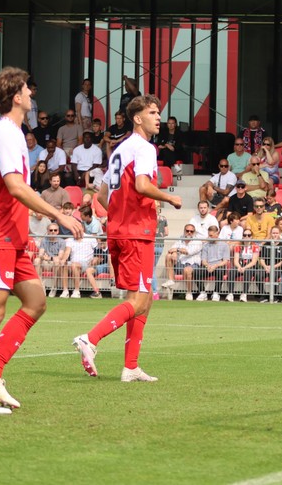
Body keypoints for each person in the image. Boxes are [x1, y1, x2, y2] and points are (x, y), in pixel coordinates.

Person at [0, 67, 84, 415]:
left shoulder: (6, 132)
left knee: (36, 301)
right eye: (28, 88)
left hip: (9, 235)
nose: (32, 92)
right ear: (16, 96)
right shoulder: (6, 133)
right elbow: (14, 186)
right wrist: (59, 214)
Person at [72, 94, 183, 383]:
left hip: (120, 231)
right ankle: (90, 339)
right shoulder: (143, 147)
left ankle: (131, 366)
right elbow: (142, 184)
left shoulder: (120, 149)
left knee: (144, 300)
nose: (159, 117)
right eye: (153, 112)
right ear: (138, 118)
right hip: (137, 233)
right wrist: (168, 197)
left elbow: (101, 195)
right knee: (139, 299)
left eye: (159, 113)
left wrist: (119, 215)